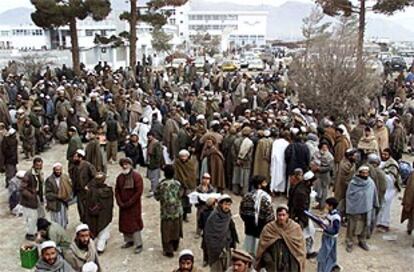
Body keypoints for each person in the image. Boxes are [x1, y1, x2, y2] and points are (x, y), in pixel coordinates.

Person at [255, 204, 306, 272]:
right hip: (273, 264)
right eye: (279, 215)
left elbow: (300, 249)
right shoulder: (269, 228)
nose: (281, 218)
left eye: (283, 215)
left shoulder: (295, 228)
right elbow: (262, 248)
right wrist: (268, 261)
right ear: (276, 215)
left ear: (287, 215)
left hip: (290, 264)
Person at [345, 166, 379, 252]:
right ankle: (349, 241)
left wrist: (375, 203)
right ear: (359, 173)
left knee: (365, 225)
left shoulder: (370, 182)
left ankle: (362, 240)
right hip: (355, 208)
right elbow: (349, 196)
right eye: (363, 173)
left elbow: (374, 193)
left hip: (367, 207)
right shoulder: (353, 183)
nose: (365, 174)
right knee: (352, 225)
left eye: (366, 173)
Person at [239, 175, 274, 256]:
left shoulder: (246, 196)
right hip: (261, 230)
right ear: (259, 185)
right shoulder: (266, 198)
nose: (266, 184)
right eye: (264, 183)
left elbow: (242, 212)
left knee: (248, 251)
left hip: (249, 228)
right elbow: (270, 217)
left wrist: (248, 221)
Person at [115, 158, 144, 254]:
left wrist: (130, 202)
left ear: (130, 165)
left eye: (126, 164)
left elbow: (138, 192)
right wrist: (120, 202)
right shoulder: (120, 177)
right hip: (123, 206)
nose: (124, 166)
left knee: (135, 224)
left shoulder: (137, 177)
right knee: (125, 224)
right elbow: (117, 190)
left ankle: (138, 244)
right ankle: (129, 241)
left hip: (134, 206)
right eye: (123, 164)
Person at [154, 165, 183, 257]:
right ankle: (175, 245)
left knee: (166, 231)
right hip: (177, 211)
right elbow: (181, 194)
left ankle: (168, 250)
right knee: (176, 229)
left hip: (166, 213)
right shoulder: (178, 184)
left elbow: (157, 197)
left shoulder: (161, 185)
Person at [204, 194, 239, 272]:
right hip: (216, 251)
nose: (227, 207)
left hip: (227, 247)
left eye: (229, 205)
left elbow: (231, 229)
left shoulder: (228, 214)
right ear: (220, 204)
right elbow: (209, 236)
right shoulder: (213, 217)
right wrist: (217, 249)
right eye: (225, 204)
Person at [288, 171, 318, 259]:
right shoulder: (301, 192)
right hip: (300, 217)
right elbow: (300, 209)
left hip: (300, 216)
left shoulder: (301, 187)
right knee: (306, 234)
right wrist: (304, 221)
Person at [85, 172, 114, 254]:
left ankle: (95, 247)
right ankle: (100, 247)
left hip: (94, 215)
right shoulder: (108, 191)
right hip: (105, 214)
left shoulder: (91, 191)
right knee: (104, 230)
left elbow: (88, 203)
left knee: (95, 229)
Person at [20, 157, 45, 241]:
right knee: (32, 217)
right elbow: (22, 189)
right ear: (34, 165)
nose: (39, 167)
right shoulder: (29, 174)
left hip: (37, 197)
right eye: (37, 165)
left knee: (41, 214)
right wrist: (31, 196)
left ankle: (39, 230)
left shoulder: (39, 173)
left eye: (40, 165)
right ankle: (30, 234)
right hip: (29, 200)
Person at [69, 149, 96, 223]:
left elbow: (95, 177)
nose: (74, 158)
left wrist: (89, 185)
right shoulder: (73, 167)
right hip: (79, 192)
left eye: (76, 157)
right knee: (81, 209)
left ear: (80, 158)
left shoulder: (88, 165)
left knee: (88, 208)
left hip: (87, 192)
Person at [377, 148, 400, 231]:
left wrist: (382, 174)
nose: (383, 156)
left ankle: (385, 224)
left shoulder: (393, 164)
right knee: (381, 205)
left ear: (389, 155)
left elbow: (392, 179)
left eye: (386, 155)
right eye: (383, 154)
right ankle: (379, 222)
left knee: (386, 206)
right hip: (382, 188)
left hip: (390, 189)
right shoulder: (381, 162)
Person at [316, 198, 341, 272]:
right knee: (330, 255)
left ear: (331, 206)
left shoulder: (336, 217)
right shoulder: (330, 214)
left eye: (327, 204)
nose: (325, 206)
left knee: (323, 255)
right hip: (327, 237)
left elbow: (335, 230)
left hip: (330, 238)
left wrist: (325, 229)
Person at [45, 163, 72, 229]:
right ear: (54, 170)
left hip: (63, 203)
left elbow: (69, 188)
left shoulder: (64, 177)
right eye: (57, 170)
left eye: (59, 170)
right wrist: (57, 196)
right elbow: (48, 194)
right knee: (56, 221)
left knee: (64, 220)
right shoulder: (49, 180)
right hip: (55, 204)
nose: (58, 171)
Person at [174, 149, 197, 222]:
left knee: (187, 201)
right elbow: (176, 173)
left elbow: (192, 174)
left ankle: (185, 215)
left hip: (188, 186)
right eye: (182, 156)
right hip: (180, 185)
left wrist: (188, 181)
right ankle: (180, 215)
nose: (183, 158)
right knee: (180, 201)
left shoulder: (190, 163)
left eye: (185, 156)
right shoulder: (177, 163)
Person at [334, 148, 357, 218]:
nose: (355, 157)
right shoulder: (345, 165)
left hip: (345, 187)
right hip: (342, 187)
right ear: (349, 156)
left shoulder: (350, 163)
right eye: (354, 156)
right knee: (341, 203)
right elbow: (347, 178)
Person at [232, 126, 254, 195]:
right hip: (246, 164)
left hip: (237, 162)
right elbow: (249, 155)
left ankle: (235, 190)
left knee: (236, 176)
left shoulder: (236, 140)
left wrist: (237, 159)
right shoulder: (250, 142)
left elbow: (232, 152)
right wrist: (244, 159)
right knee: (245, 178)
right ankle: (244, 192)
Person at [312, 141, 334, 209]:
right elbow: (312, 160)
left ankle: (322, 205)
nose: (324, 148)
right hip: (317, 175)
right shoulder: (316, 154)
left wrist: (320, 168)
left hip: (325, 175)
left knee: (324, 191)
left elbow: (330, 167)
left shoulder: (330, 156)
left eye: (325, 147)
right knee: (317, 190)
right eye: (323, 147)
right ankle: (319, 203)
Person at [146, 131, 163, 197]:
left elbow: (158, 155)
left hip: (154, 163)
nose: (149, 137)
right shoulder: (150, 142)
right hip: (151, 162)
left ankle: (154, 190)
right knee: (152, 177)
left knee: (154, 178)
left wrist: (157, 162)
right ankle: (154, 189)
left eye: (150, 136)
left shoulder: (156, 143)